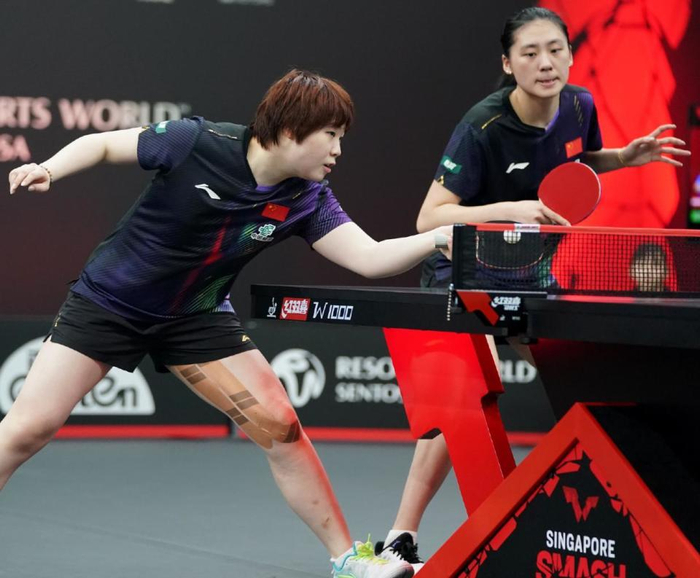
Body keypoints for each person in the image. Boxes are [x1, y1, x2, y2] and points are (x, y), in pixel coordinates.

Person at [4, 69, 454, 578]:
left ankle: (349, 561)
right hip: (110, 302)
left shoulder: (308, 198)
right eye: (330, 135)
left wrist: (437, 238)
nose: (337, 150)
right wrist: (49, 168)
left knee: (282, 428)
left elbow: (369, 258)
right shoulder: (194, 141)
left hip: (197, 315)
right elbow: (103, 144)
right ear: (291, 130)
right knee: (28, 429)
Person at [375, 7, 690, 572]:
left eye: (555, 49)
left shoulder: (579, 105)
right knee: (466, 398)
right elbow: (430, 217)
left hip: (530, 272)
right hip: (464, 271)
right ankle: (401, 535)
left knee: (585, 372)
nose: (545, 63)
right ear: (508, 63)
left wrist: (624, 158)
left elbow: (578, 163)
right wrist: (511, 209)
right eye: (530, 53)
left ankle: (622, 501)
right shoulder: (483, 126)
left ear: (570, 54)